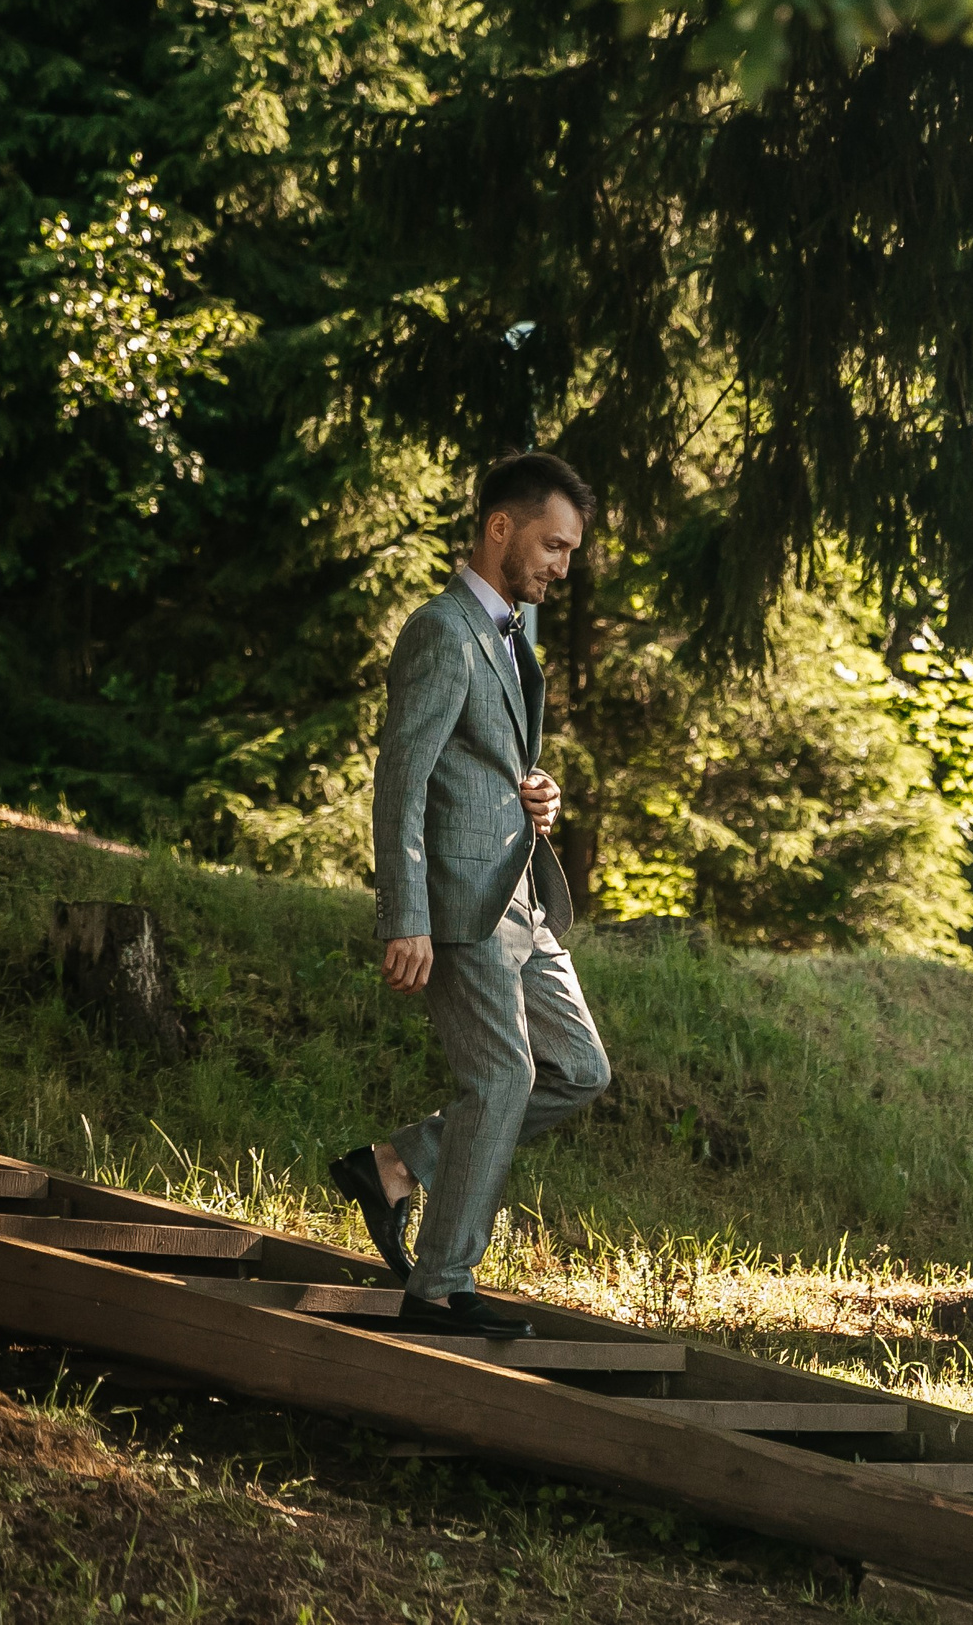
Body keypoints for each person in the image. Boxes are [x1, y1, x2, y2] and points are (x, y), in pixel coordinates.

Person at [328, 453, 610, 1339]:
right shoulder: (441, 630)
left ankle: (396, 1165)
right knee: (504, 1075)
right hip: (461, 900)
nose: (563, 565)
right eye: (553, 545)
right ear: (501, 528)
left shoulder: (509, 635)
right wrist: (404, 914)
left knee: (577, 1069)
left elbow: (478, 762)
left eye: (569, 550)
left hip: (521, 894)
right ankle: (440, 1290)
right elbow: (401, 782)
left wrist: (535, 792)